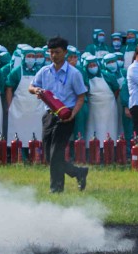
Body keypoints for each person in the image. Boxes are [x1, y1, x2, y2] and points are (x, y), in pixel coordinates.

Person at [29, 37, 91, 193]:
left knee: (56, 152)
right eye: (51, 52)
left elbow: (81, 97)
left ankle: (56, 189)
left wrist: (73, 114)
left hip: (65, 116)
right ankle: (78, 172)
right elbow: (31, 86)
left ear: (65, 52)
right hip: (48, 115)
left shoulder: (74, 73)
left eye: (57, 52)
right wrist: (36, 90)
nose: (54, 56)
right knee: (48, 155)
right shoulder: (45, 71)